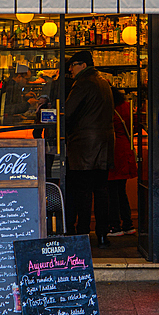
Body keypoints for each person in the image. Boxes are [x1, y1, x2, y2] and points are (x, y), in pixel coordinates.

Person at [64, 50, 115, 248]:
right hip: (104, 144)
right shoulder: (103, 82)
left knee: (82, 192)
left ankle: (82, 233)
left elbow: (67, 113)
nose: (70, 69)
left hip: (84, 146)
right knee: (101, 191)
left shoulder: (83, 83)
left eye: (73, 65)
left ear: (83, 65)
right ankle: (102, 235)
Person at [107, 89, 136, 237]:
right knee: (121, 190)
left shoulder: (108, 108)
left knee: (112, 191)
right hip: (126, 148)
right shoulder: (127, 106)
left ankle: (115, 226)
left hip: (114, 150)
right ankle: (128, 224)